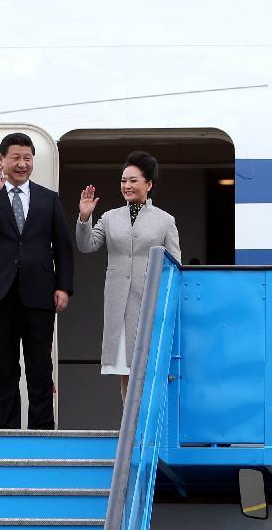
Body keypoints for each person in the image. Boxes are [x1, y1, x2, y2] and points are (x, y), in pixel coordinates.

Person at [0, 132, 74, 429]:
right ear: (2, 160)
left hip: (40, 293)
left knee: (40, 369)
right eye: (16, 158)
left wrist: (64, 286)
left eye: (27, 158)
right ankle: (5, 437)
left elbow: (62, 246)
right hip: (0, 294)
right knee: (4, 368)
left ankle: (42, 435)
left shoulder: (49, 199)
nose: (22, 164)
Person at [75, 151, 181, 400]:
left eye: (133, 180)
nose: (127, 186)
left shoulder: (165, 220)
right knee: (126, 369)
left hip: (150, 303)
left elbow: (175, 265)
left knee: (152, 368)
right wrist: (84, 216)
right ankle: (129, 429)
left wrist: (167, 301)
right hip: (119, 304)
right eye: (123, 180)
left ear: (149, 184)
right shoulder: (110, 217)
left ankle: (150, 430)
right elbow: (87, 245)